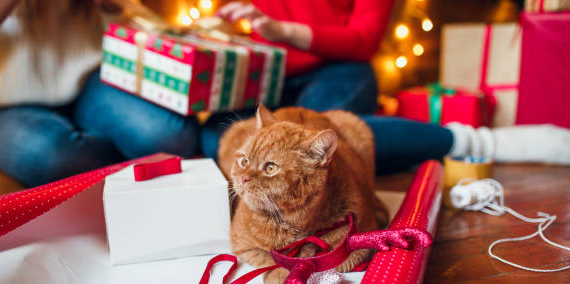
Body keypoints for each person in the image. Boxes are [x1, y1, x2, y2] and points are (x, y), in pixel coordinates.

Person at [202, 1, 570, 171]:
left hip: (338, 70)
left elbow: (364, 39)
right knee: (216, 140)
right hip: (260, 79)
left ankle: (479, 142)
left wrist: (282, 31)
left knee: (312, 142)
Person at [0, 0, 201, 187]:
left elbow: (135, 27)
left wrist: (111, 4)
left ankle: (99, 172)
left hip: (91, 81)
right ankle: (135, 172)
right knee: (53, 157)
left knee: (172, 136)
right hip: (4, 102)